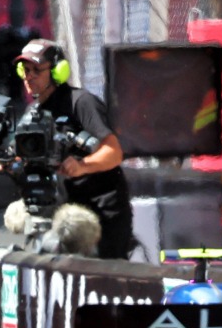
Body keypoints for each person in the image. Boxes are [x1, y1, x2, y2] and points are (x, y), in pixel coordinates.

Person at [7, 38, 134, 260]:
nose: (29, 76)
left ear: (57, 71)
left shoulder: (81, 102)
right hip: (61, 212)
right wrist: (9, 162)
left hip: (102, 213)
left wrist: (82, 166)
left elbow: (114, 153)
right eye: (25, 70)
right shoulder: (32, 111)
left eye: (37, 70)